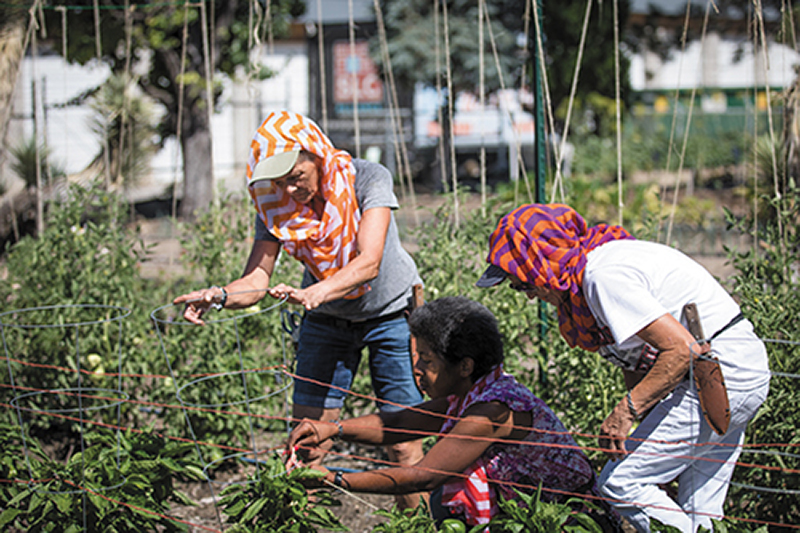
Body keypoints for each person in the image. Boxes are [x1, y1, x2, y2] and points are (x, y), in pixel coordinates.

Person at [173, 110, 425, 509]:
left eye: (296, 177)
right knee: (308, 442)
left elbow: (369, 261)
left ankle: (415, 525)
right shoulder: (275, 206)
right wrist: (219, 295)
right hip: (326, 321)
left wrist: (318, 291)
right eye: (279, 182)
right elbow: (255, 281)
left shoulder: (367, 178)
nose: (289, 191)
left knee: (404, 445)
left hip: (390, 315)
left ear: (317, 155)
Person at [475, 203, 770, 532]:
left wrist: (625, 412)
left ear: (540, 261)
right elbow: (639, 362)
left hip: (718, 374)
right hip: (737, 370)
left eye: (523, 284)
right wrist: (647, 427)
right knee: (699, 509)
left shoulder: (603, 277)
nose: (529, 296)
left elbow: (681, 348)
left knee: (620, 484)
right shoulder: (596, 265)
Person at [288, 296, 618, 529]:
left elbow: (423, 475)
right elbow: (401, 422)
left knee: (442, 494)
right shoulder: (471, 392)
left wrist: (333, 479)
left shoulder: (491, 411)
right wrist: (332, 429)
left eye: (427, 361)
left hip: (569, 523)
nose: (417, 370)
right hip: (531, 515)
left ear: (464, 366)